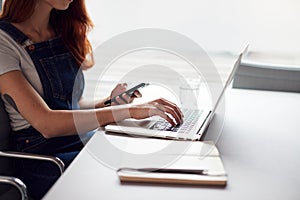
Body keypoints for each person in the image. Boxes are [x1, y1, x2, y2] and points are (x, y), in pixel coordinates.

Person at [0, 0, 183, 199]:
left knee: (148, 162)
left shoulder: (60, 30)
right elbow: (46, 123)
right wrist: (126, 112)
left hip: (79, 142)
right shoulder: (4, 41)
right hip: (45, 160)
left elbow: (74, 106)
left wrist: (110, 103)